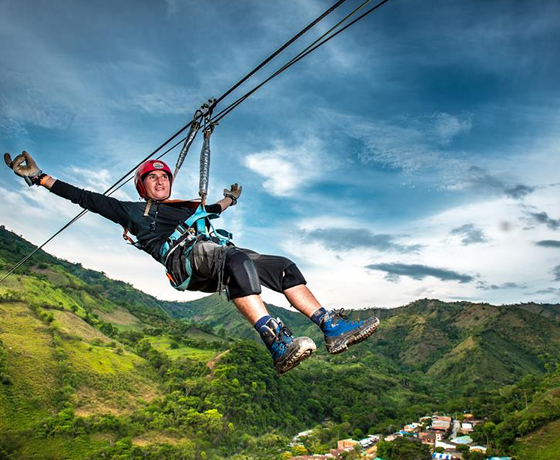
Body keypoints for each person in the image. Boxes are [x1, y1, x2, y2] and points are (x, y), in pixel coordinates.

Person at [4, 151, 380, 374]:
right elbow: (85, 198)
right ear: (142, 187)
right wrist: (40, 178)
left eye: (163, 177)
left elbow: (214, 208)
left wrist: (230, 199)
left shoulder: (187, 208)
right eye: (151, 178)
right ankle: (276, 341)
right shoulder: (133, 212)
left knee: (282, 265)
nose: (159, 181)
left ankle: (330, 326)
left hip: (216, 255)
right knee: (235, 258)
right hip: (186, 261)